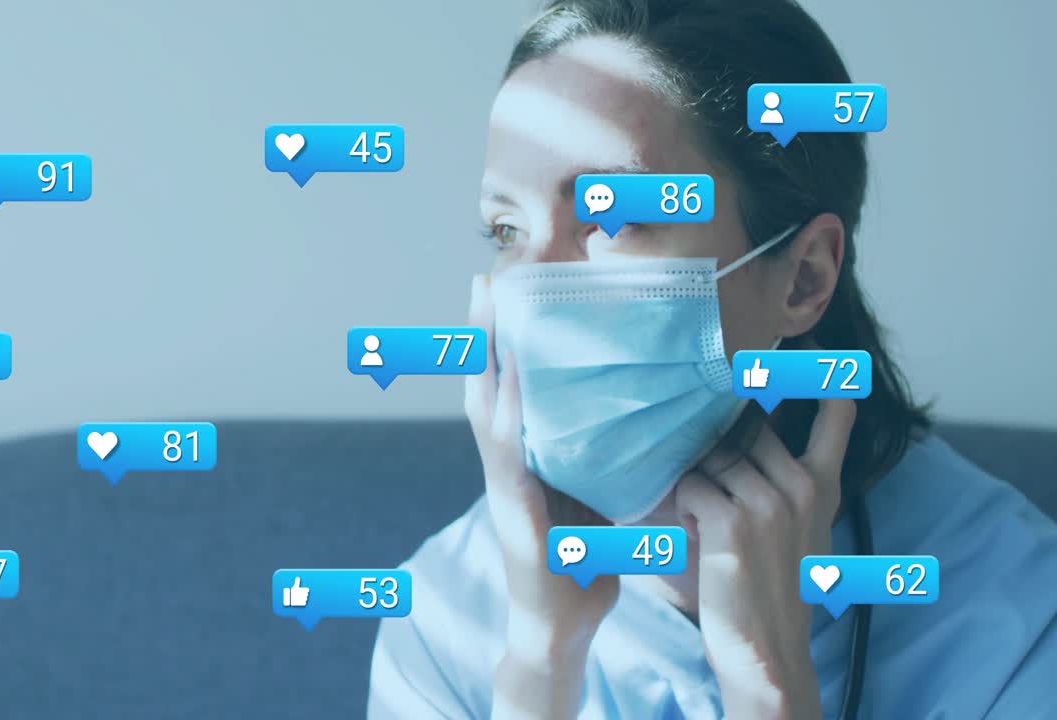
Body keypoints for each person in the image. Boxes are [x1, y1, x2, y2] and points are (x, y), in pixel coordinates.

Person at [367, 1, 1057, 718]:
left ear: (803, 279)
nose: (533, 290)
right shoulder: (443, 621)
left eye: (611, 218)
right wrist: (543, 660)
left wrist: (768, 685)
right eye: (506, 229)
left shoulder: (1017, 623)